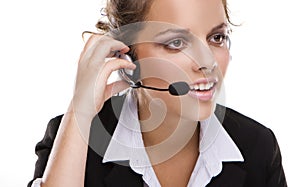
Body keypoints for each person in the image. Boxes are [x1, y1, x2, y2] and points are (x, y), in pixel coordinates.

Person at [28, 0, 287, 186]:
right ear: (125, 54)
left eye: (216, 38)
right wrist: (80, 110)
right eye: (176, 43)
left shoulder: (257, 146)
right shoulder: (74, 139)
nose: (207, 62)